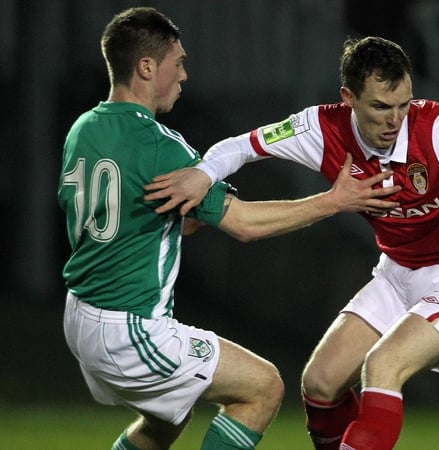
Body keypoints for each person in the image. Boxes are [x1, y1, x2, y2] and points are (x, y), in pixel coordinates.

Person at [144, 36, 439, 449]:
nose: (395, 119)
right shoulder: (321, 129)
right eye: (380, 106)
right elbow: (240, 147)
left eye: (403, 105)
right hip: (398, 273)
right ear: (348, 98)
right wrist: (203, 175)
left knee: (384, 364)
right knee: (320, 383)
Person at [58, 9, 399, 450]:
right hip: (128, 327)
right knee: (262, 388)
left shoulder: (84, 129)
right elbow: (244, 225)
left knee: (166, 419)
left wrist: (186, 217)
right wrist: (333, 200)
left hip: (80, 316)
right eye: (177, 63)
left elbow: (123, 219)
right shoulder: (161, 145)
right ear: (146, 67)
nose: (183, 75)